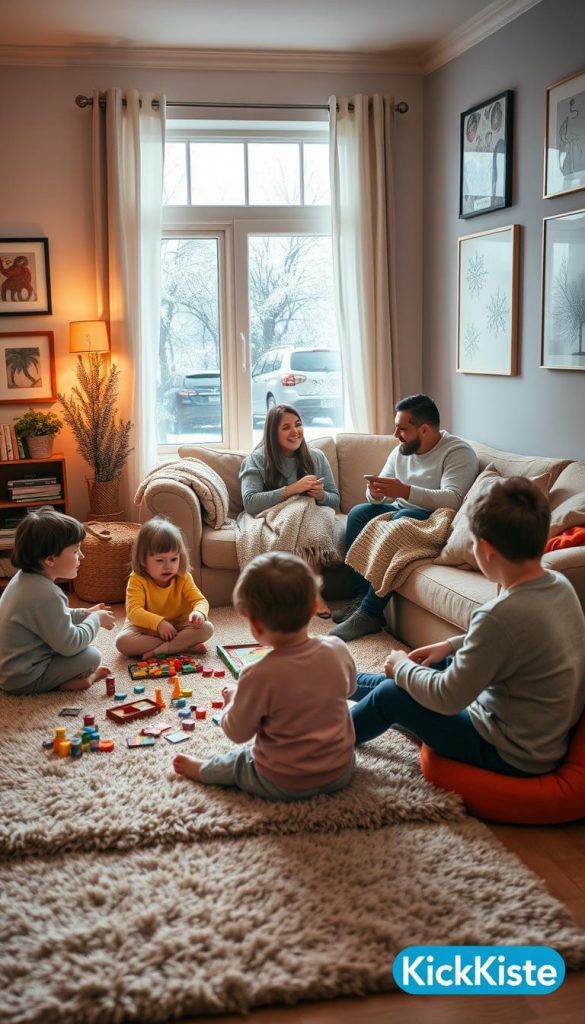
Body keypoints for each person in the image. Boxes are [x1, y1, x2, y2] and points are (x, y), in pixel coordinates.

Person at [350, 477, 585, 777]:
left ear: (486, 550)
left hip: (508, 753)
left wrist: (400, 667)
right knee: (433, 664)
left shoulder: (498, 615)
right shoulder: (559, 585)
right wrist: (450, 645)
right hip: (537, 737)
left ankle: (324, 744)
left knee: (392, 696)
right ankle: (339, 680)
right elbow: (514, 639)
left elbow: (448, 698)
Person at [173, 551, 357, 800]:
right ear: (315, 605)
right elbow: (349, 690)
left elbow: (238, 733)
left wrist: (232, 701)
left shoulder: (256, 675)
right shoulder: (337, 647)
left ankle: (203, 770)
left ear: (256, 626)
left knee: (239, 762)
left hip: (283, 782)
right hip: (341, 771)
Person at [330, 393, 479, 641]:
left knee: (401, 523)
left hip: (434, 518)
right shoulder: (402, 450)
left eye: (402, 428)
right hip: (401, 508)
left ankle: (370, 613)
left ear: (423, 429)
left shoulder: (458, 452)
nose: (395, 434)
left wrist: (405, 491)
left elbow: (453, 499)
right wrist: (375, 493)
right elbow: (383, 491)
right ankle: (360, 596)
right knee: (358, 514)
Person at [0, 507, 115, 695]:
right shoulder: (48, 594)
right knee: (91, 656)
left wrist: (84, 614)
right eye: (76, 550)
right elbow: (70, 644)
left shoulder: (24, 579)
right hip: (23, 679)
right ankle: (70, 682)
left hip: (11, 670)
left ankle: (66, 682)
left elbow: (50, 618)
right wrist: (96, 620)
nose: (82, 556)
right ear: (50, 559)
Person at [239, 403, 340, 618]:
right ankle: (291, 595)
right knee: (301, 509)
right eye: (286, 427)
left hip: (313, 512)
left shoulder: (317, 457)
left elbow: (333, 500)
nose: (295, 432)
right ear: (272, 433)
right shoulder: (257, 459)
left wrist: (320, 495)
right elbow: (250, 502)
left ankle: (313, 592)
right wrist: (292, 490)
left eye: (298, 425)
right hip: (277, 513)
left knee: (314, 518)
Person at [115, 516, 214, 658]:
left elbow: (200, 601)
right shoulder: (137, 579)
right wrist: (159, 623)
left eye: (174, 559)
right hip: (146, 628)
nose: (168, 566)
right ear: (143, 559)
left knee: (207, 628)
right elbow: (134, 611)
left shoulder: (183, 577)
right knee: (122, 642)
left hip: (178, 626)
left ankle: (166, 649)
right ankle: (183, 646)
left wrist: (199, 612)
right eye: (160, 560)